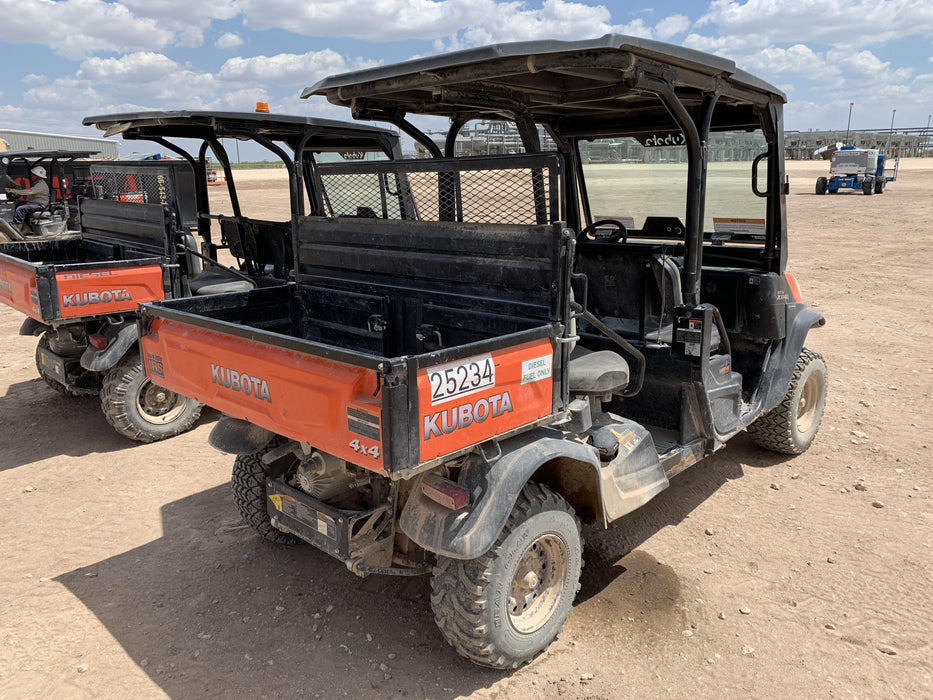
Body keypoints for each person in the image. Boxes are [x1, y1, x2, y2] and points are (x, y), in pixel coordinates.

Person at [5, 165, 50, 231]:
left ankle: (17, 228)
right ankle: (26, 228)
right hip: (34, 203)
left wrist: (14, 191)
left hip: (40, 205)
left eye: (33, 175)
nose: (31, 176)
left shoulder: (41, 185)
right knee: (18, 204)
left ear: (38, 177)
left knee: (21, 209)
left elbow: (29, 191)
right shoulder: (36, 183)